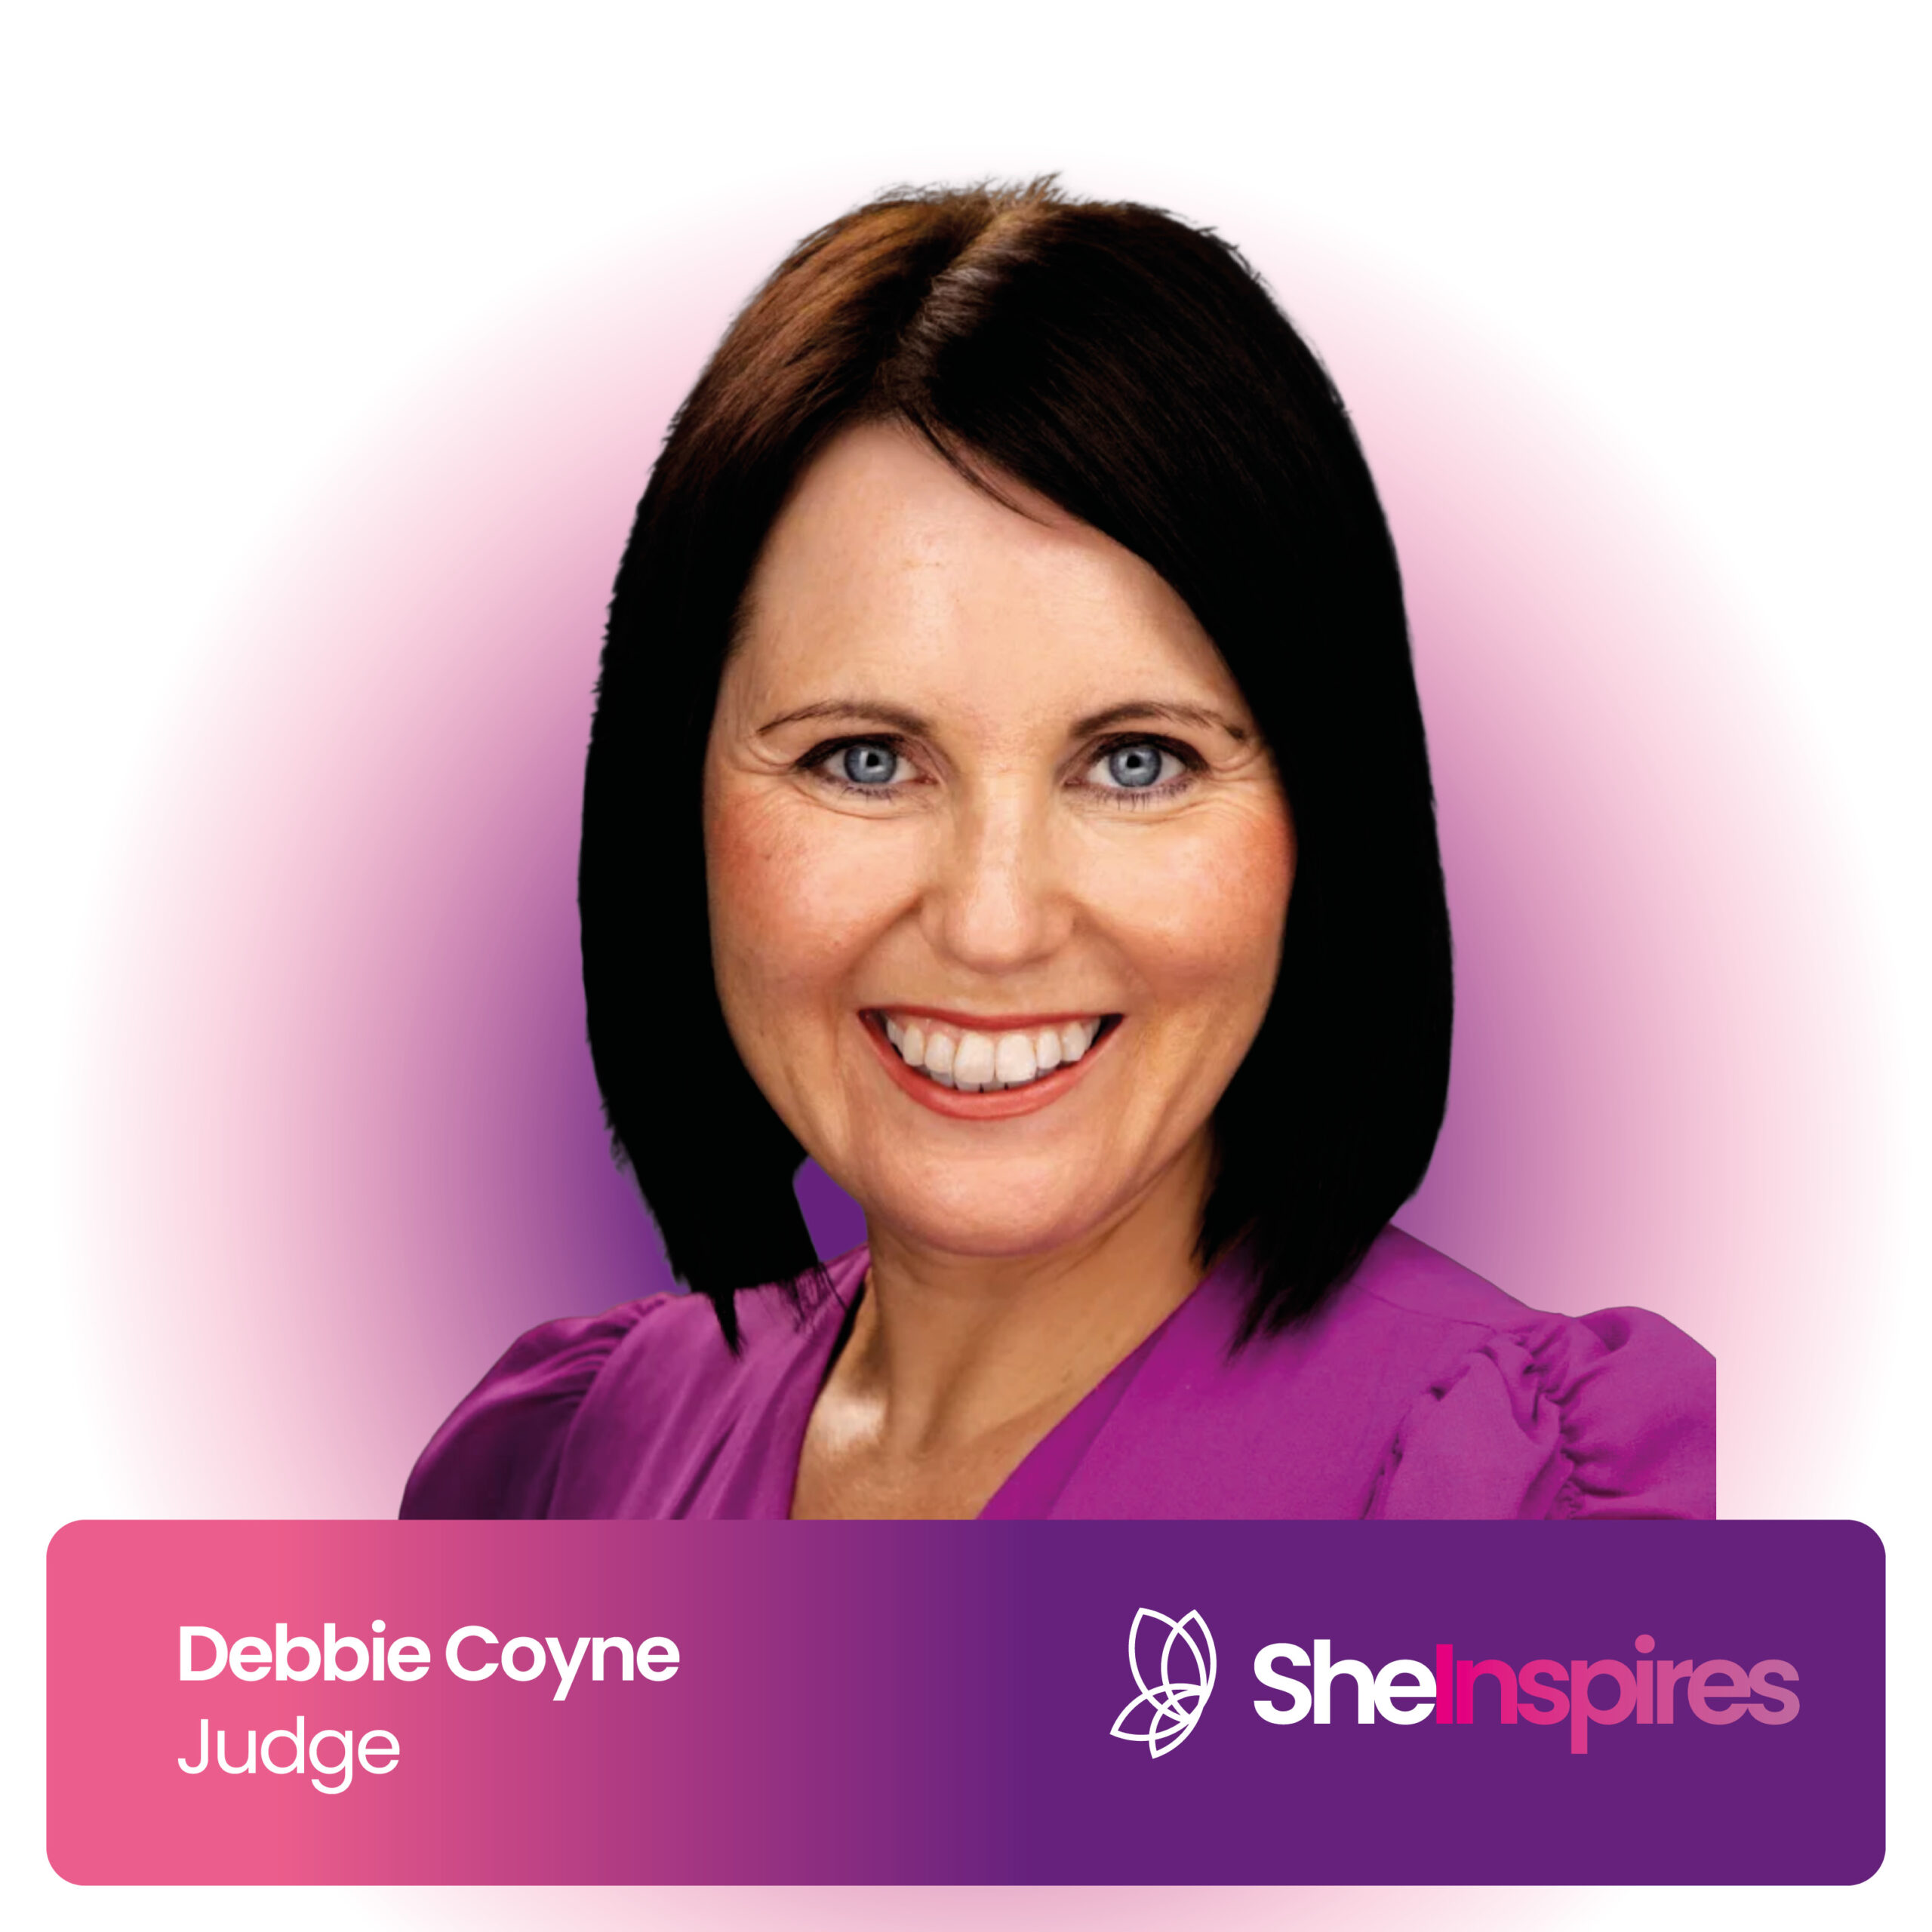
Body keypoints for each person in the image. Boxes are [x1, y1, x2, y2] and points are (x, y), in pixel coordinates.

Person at [401, 180, 1714, 1521]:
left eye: (1138, 761)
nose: (994, 923)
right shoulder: (566, 1468)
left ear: (1327, 818)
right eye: (865, 759)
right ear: (669, 801)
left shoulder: (1540, 1511)